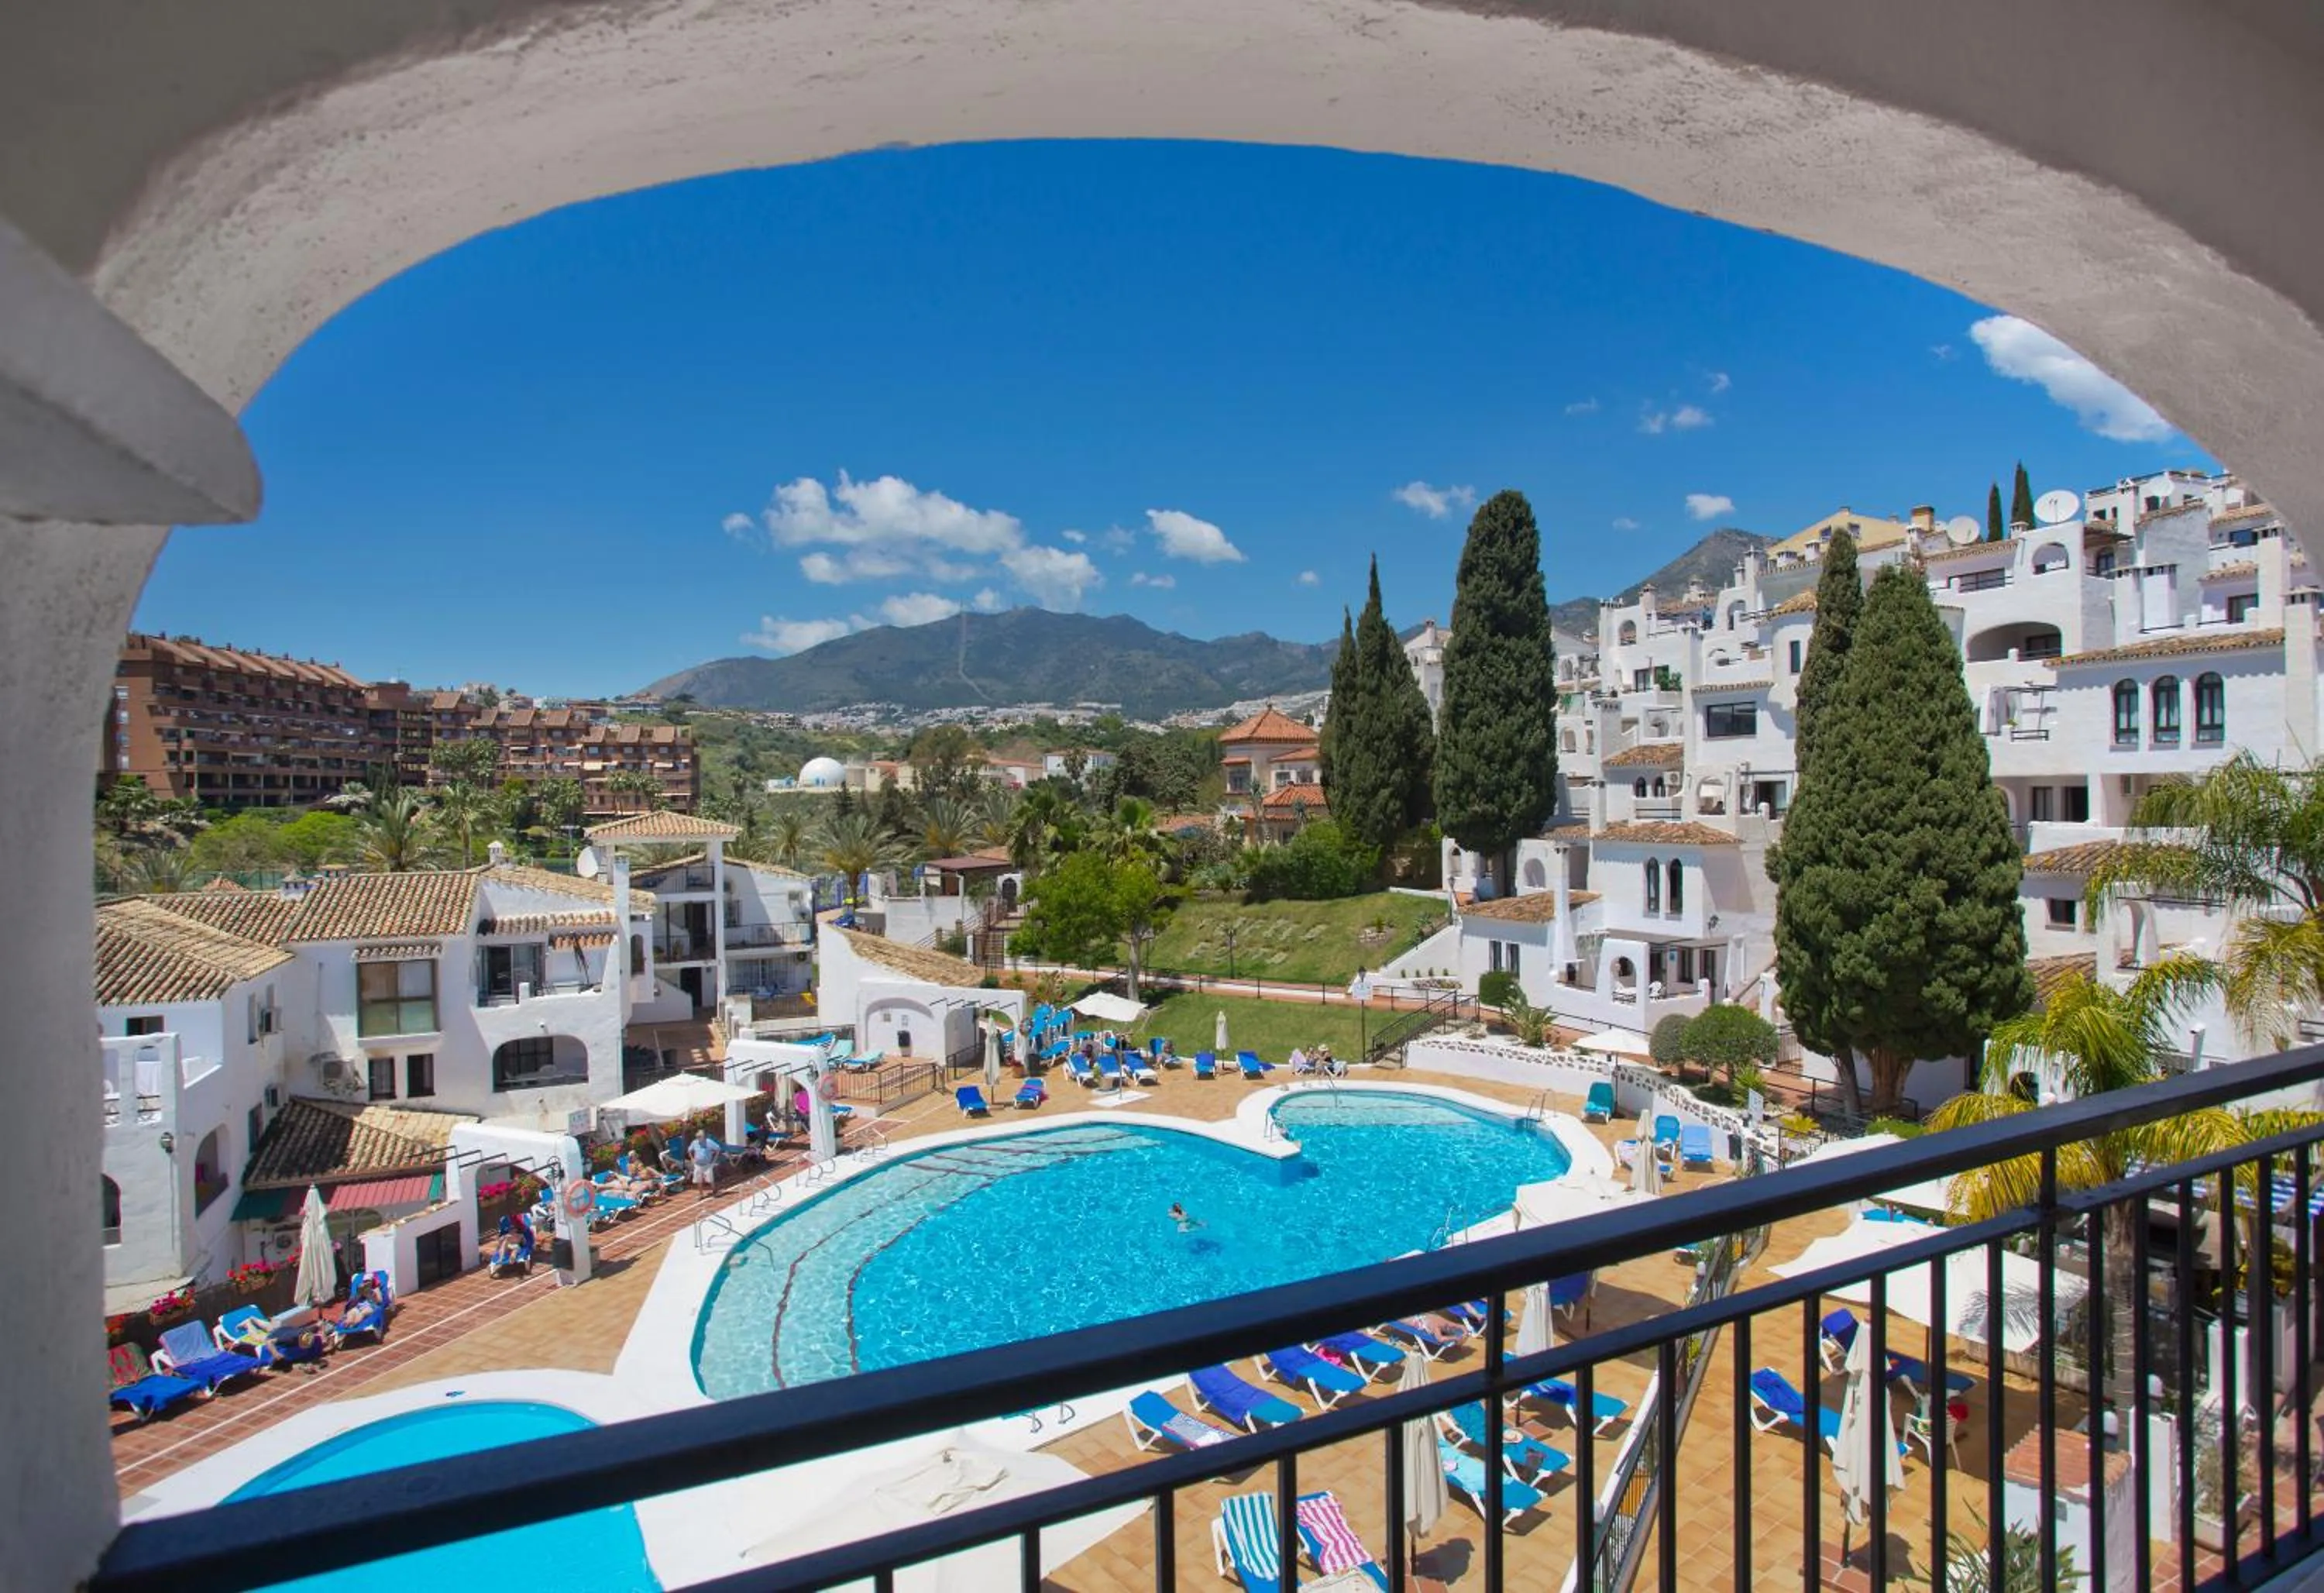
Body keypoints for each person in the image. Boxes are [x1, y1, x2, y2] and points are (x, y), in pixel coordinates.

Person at [688, 1130, 719, 1196]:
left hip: (707, 1164)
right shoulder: (694, 1142)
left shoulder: (709, 1142)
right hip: (698, 1165)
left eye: (699, 1136)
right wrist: (692, 1159)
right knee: (698, 1180)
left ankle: (714, 1190)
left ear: (704, 1137)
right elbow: (689, 1150)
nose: (698, 1138)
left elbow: (718, 1149)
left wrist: (714, 1161)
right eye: (697, 1137)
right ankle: (701, 1194)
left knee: (710, 1179)